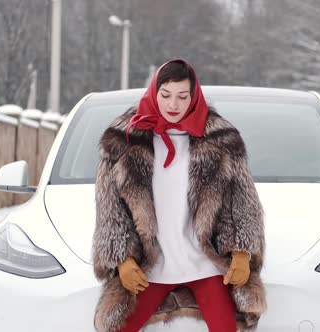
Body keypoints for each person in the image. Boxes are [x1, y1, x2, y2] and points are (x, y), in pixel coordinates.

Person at [92, 59, 266, 332]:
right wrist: (122, 260)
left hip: (205, 265)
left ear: (194, 96)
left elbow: (242, 201)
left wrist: (242, 254)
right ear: (154, 91)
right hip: (151, 267)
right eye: (166, 95)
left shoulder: (222, 138)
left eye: (182, 96)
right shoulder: (123, 138)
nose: (173, 105)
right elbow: (110, 208)